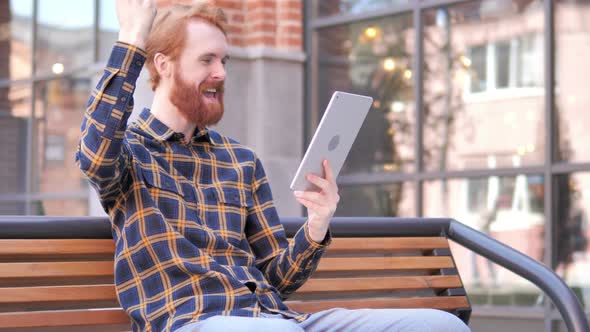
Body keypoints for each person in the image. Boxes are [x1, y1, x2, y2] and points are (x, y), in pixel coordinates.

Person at [76, 1, 470, 331]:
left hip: (273, 318)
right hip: (192, 320)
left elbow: (277, 278)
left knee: (440, 325)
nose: (221, 73)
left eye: (225, 60)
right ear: (162, 65)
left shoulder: (240, 162)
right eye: (207, 60)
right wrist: (132, 38)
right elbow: (93, 151)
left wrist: (316, 227)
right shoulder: (128, 153)